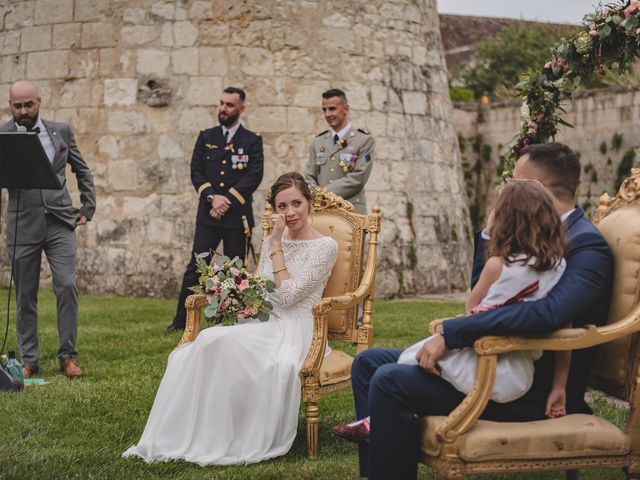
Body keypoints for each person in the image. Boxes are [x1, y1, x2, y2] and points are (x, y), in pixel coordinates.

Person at [335, 143, 613, 480]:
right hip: (489, 361)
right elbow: (484, 292)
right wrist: (489, 235)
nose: (503, 190)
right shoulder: (530, 233)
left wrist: (452, 335)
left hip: (528, 385)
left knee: (390, 380)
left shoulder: (586, 245)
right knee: (368, 363)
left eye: (511, 182)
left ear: (534, 189)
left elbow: (547, 314)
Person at [123, 172, 338, 465]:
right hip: (267, 320)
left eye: (296, 204)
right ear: (275, 209)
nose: (289, 213)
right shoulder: (276, 240)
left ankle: (230, 438)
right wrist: (239, 295)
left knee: (217, 341)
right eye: (282, 207)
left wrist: (275, 245)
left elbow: (288, 296)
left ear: (309, 203)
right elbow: (264, 287)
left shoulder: (325, 246)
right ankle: (200, 433)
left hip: (298, 330)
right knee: (200, 345)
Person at [334, 180, 570, 440]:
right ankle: (375, 429)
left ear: (506, 220)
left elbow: (471, 306)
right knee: (367, 361)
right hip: (519, 376)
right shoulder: (557, 267)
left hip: (484, 369)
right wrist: (560, 386)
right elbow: (565, 325)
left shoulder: (497, 265)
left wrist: (489, 237)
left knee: (392, 372)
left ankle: (379, 423)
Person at [0, 80, 96, 379]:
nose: (24, 110)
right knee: (25, 295)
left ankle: (67, 356)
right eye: (18, 106)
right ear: (10, 105)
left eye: (29, 104)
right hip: (22, 223)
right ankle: (29, 360)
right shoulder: (2, 134)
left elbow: (81, 168)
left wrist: (88, 207)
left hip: (60, 221)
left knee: (66, 285)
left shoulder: (61, 131)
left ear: (39, 102)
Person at [166, 87, 264, 333]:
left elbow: (254, 175)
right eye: (221, 103)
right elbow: (196, 171)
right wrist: (212, 198)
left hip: (235, 217)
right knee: (196, 267)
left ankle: (231, 322)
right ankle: (182, 322)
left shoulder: (252, 140)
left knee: (234, 270)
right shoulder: (206, 137)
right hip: (208, 215)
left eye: (230, 105)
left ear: (241, 109)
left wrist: (226, 200)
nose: (223, 108)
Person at [304, 88, 375, 215]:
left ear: (346, 109)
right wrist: (317, 196)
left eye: (332, 109)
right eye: (324, 110)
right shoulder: (318, 142)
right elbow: (309, 176)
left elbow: (359, 177)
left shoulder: (363, 140)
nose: (327, 114)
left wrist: (324, 194)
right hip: (322, 211)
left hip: (351, 211)